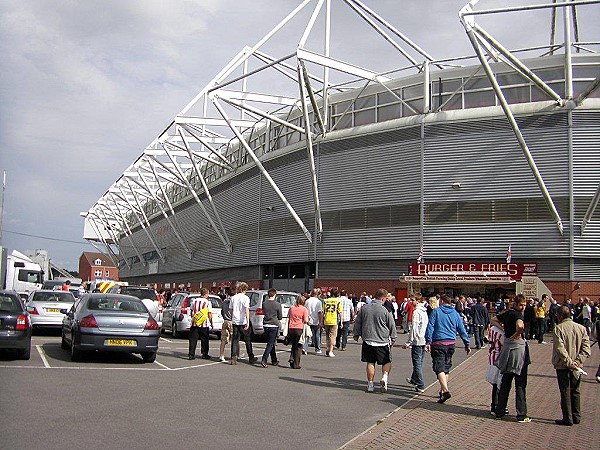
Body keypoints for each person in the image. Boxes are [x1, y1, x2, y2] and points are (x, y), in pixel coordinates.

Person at [424, 293, 471, 404]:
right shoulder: (455, 314)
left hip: (438, 342)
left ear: (442, 302)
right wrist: (467, 343)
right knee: (446, 367)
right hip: (451, 343)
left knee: (438, 367)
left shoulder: (436, 312)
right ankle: (441, 392)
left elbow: (430, 326)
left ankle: (445, 391)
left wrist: (428, 341)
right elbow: (461, 329)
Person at [492, 294, 531, 423]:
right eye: (522, 305)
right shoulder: (518, 315)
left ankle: (499, 411)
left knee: (505, 382)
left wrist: (503, 329)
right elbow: (520, 325)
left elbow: (493, 319)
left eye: (524, 305)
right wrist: (517, 334)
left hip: (507, 349)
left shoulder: (507, 313)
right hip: (519, 350)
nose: (523, 307)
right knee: (520, 383)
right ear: (516, 303)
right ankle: (521, 414)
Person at [552, 306, 591, 426]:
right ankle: (576, 416)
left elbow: (560, 348)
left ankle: (567, 417)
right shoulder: (581, 328)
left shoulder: (558, 329)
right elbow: (586, 348)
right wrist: (578, 361)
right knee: (575, 390)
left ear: (559, 316)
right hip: (577, 366)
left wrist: (569, 363)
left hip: (563, 365)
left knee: (565, 390)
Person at [353, 288, 397, 393]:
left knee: (370, 362)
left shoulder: (365, 308)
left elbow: (358, 322)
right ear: (383, 298)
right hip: (382, 340)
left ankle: (370, 384)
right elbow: (391, 325)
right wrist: (393, 337)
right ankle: (384, 377)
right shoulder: (385, 310)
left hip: (368, 339)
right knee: (386, 361)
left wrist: (356, 334)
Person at [403, 294, 428, 393]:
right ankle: (414, 379)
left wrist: (409, 342)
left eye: (412, 300)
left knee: (417, 362)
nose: (411, 302)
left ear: (418, 301)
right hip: (423, 339)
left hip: (417, 340)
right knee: (419, 361)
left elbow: (414, 328)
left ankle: (421, 384)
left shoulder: (416, 312)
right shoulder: (424, 312)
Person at [229, 282, 257, 365]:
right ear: (244, 289)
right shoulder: (246, 298)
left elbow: (231, 309)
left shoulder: (233, 298)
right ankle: (251, 357)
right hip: (243, 321)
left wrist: (232, 316)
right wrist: (248, 321)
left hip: (235, 320)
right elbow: (246, 310)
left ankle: (233, 357)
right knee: (247, 340)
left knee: (235, 340)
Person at [188, 288, 213, 360]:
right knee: (204, 339)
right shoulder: (207, 302)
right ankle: (204, 353)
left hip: (195, 323)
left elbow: (191, 310)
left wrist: (193, 318)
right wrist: (211, 322)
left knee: (193, 339)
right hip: (204, 323)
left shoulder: (194, 301)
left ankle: (191, 354)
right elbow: (209, 313)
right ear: (206, 294)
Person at [486, 323, 505, 416]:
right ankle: (497, 405)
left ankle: (495, 405)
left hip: (492, 358)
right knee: (500, 384)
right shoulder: (502, 332)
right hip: (500, 359)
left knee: (495, 384)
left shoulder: (493, 328)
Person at [261, 288, 282, 368]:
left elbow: (263, 312)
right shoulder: (277, 304)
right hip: (274, 325)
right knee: (270, 344)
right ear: (275, 295)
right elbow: (279, 316)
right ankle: (264, 359)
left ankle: (274, 360)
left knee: (271, 343)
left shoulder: (264, 303)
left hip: (266, 324)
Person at [287, 295, 308, 369]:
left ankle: (291, 358)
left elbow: (288, 316)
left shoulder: (291, 308)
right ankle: (296, 363)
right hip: (299, 328)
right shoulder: (304, 309)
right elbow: (306, 320)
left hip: (291, 328)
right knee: (299, 346)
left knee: (294, 344)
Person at [323, 289, 342, 357]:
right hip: (333, 320)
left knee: (328, 336)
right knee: (333, 336)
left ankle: (328, 348)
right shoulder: (337, 301)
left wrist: (322, 320)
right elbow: (340, 312)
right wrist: (341, 322)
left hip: (327, 319)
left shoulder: (326, 301)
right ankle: (331, 350)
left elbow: (323, 311)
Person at [304, 288, 323, 354]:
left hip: (308, 320)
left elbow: (305, 310)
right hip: (316, 320)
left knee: (307, 335)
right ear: (317, 294)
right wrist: (320, 322)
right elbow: (320, 312)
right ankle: (317, 348)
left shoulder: (307, 301)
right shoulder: (319, 302)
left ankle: (304, 348)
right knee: (316, 335)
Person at [219, 286, 235, 362]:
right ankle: (235, 355)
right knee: (235, 339)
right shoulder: (234, 301)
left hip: (225, 321)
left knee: (223, 339)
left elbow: (222, 311)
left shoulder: (225, 301)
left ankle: (221, 355)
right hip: (232, 321)